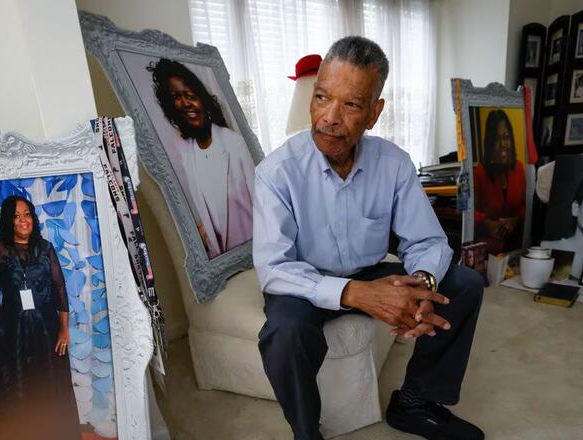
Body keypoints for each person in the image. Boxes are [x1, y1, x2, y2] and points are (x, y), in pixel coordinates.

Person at [254, 36, 484, 440]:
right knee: (284, 330)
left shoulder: (393, 163)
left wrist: (423, 284)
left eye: (351, 104)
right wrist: (355, 294)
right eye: (322, 98)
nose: (329, 117)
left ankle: (414, 402)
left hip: (370, 270)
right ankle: (306, 433)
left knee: (463, 284)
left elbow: (427, 241)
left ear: (374, 113)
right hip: (304, 282)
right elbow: (274, 269)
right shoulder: (277, 172)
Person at [0, 196, 81, 440]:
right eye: (16, 216)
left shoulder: (46, 248)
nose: (24, 220)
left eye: (27, 214)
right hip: (13, 333)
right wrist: (6, 317)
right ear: (8, 222)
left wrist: (64, 330)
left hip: (47, 330)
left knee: (47, 381)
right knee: (14, 382)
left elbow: (60, 289)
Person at [148, 59, 254, 258]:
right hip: (221, 261)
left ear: (202, 99)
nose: (185, 103)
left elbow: (262, 208)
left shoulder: (234, 144)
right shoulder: (186, 152)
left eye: (189, 95)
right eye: (176, 97)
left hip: (253, 254)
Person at [473, 109, 526, 254]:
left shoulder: (519, 169)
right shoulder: (480, 172)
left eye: (506, 137)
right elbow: (469, 212)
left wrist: (515, 220)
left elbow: (526, 206)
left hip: (516, 246)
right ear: (489, 144)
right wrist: (487, 224)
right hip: (488, 248)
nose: (503, 144)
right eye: (496, 139)